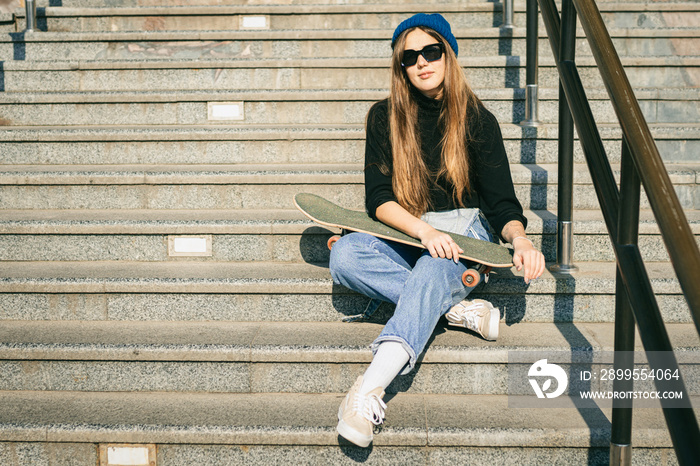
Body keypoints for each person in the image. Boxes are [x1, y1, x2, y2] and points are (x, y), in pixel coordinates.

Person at [328, 13, 546, 447]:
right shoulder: (382, 117)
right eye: (410, 57)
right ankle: (452, 310)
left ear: (449, 54)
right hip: (412, 233)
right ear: (401, 68)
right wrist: (424, 234)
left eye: (432, 51)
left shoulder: (477, 119)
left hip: (466, 235)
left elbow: (501, 202)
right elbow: (379, 199)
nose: (422, 63)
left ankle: (369, 387)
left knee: (432, 270)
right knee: (345, 255)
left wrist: (520, 239)